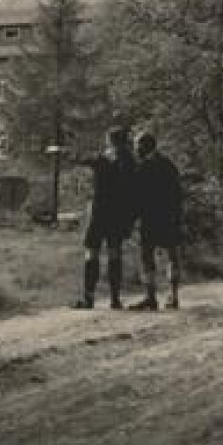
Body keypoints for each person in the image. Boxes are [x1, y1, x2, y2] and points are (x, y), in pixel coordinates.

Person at [72, 126, 137, 310]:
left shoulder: (104, 158)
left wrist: (73, 151)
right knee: (115, 252)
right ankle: (115, 298)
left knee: (91, 252)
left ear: (110, 140)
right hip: (119, 213)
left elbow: (83, 160)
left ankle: (89, 297)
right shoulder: (130, 160)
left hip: (100, 211)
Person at [129, 130, 183, 311]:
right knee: (172, 255)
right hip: (169, 216)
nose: (135, 149)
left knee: (147, 256)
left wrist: (134, 216)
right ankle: (173, 296)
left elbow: (136, 195)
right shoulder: (168, 164)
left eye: (137, 145)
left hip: (150, 217)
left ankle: (150, 296)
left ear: (144, 145)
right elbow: (178, 191)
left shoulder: (143, 167)